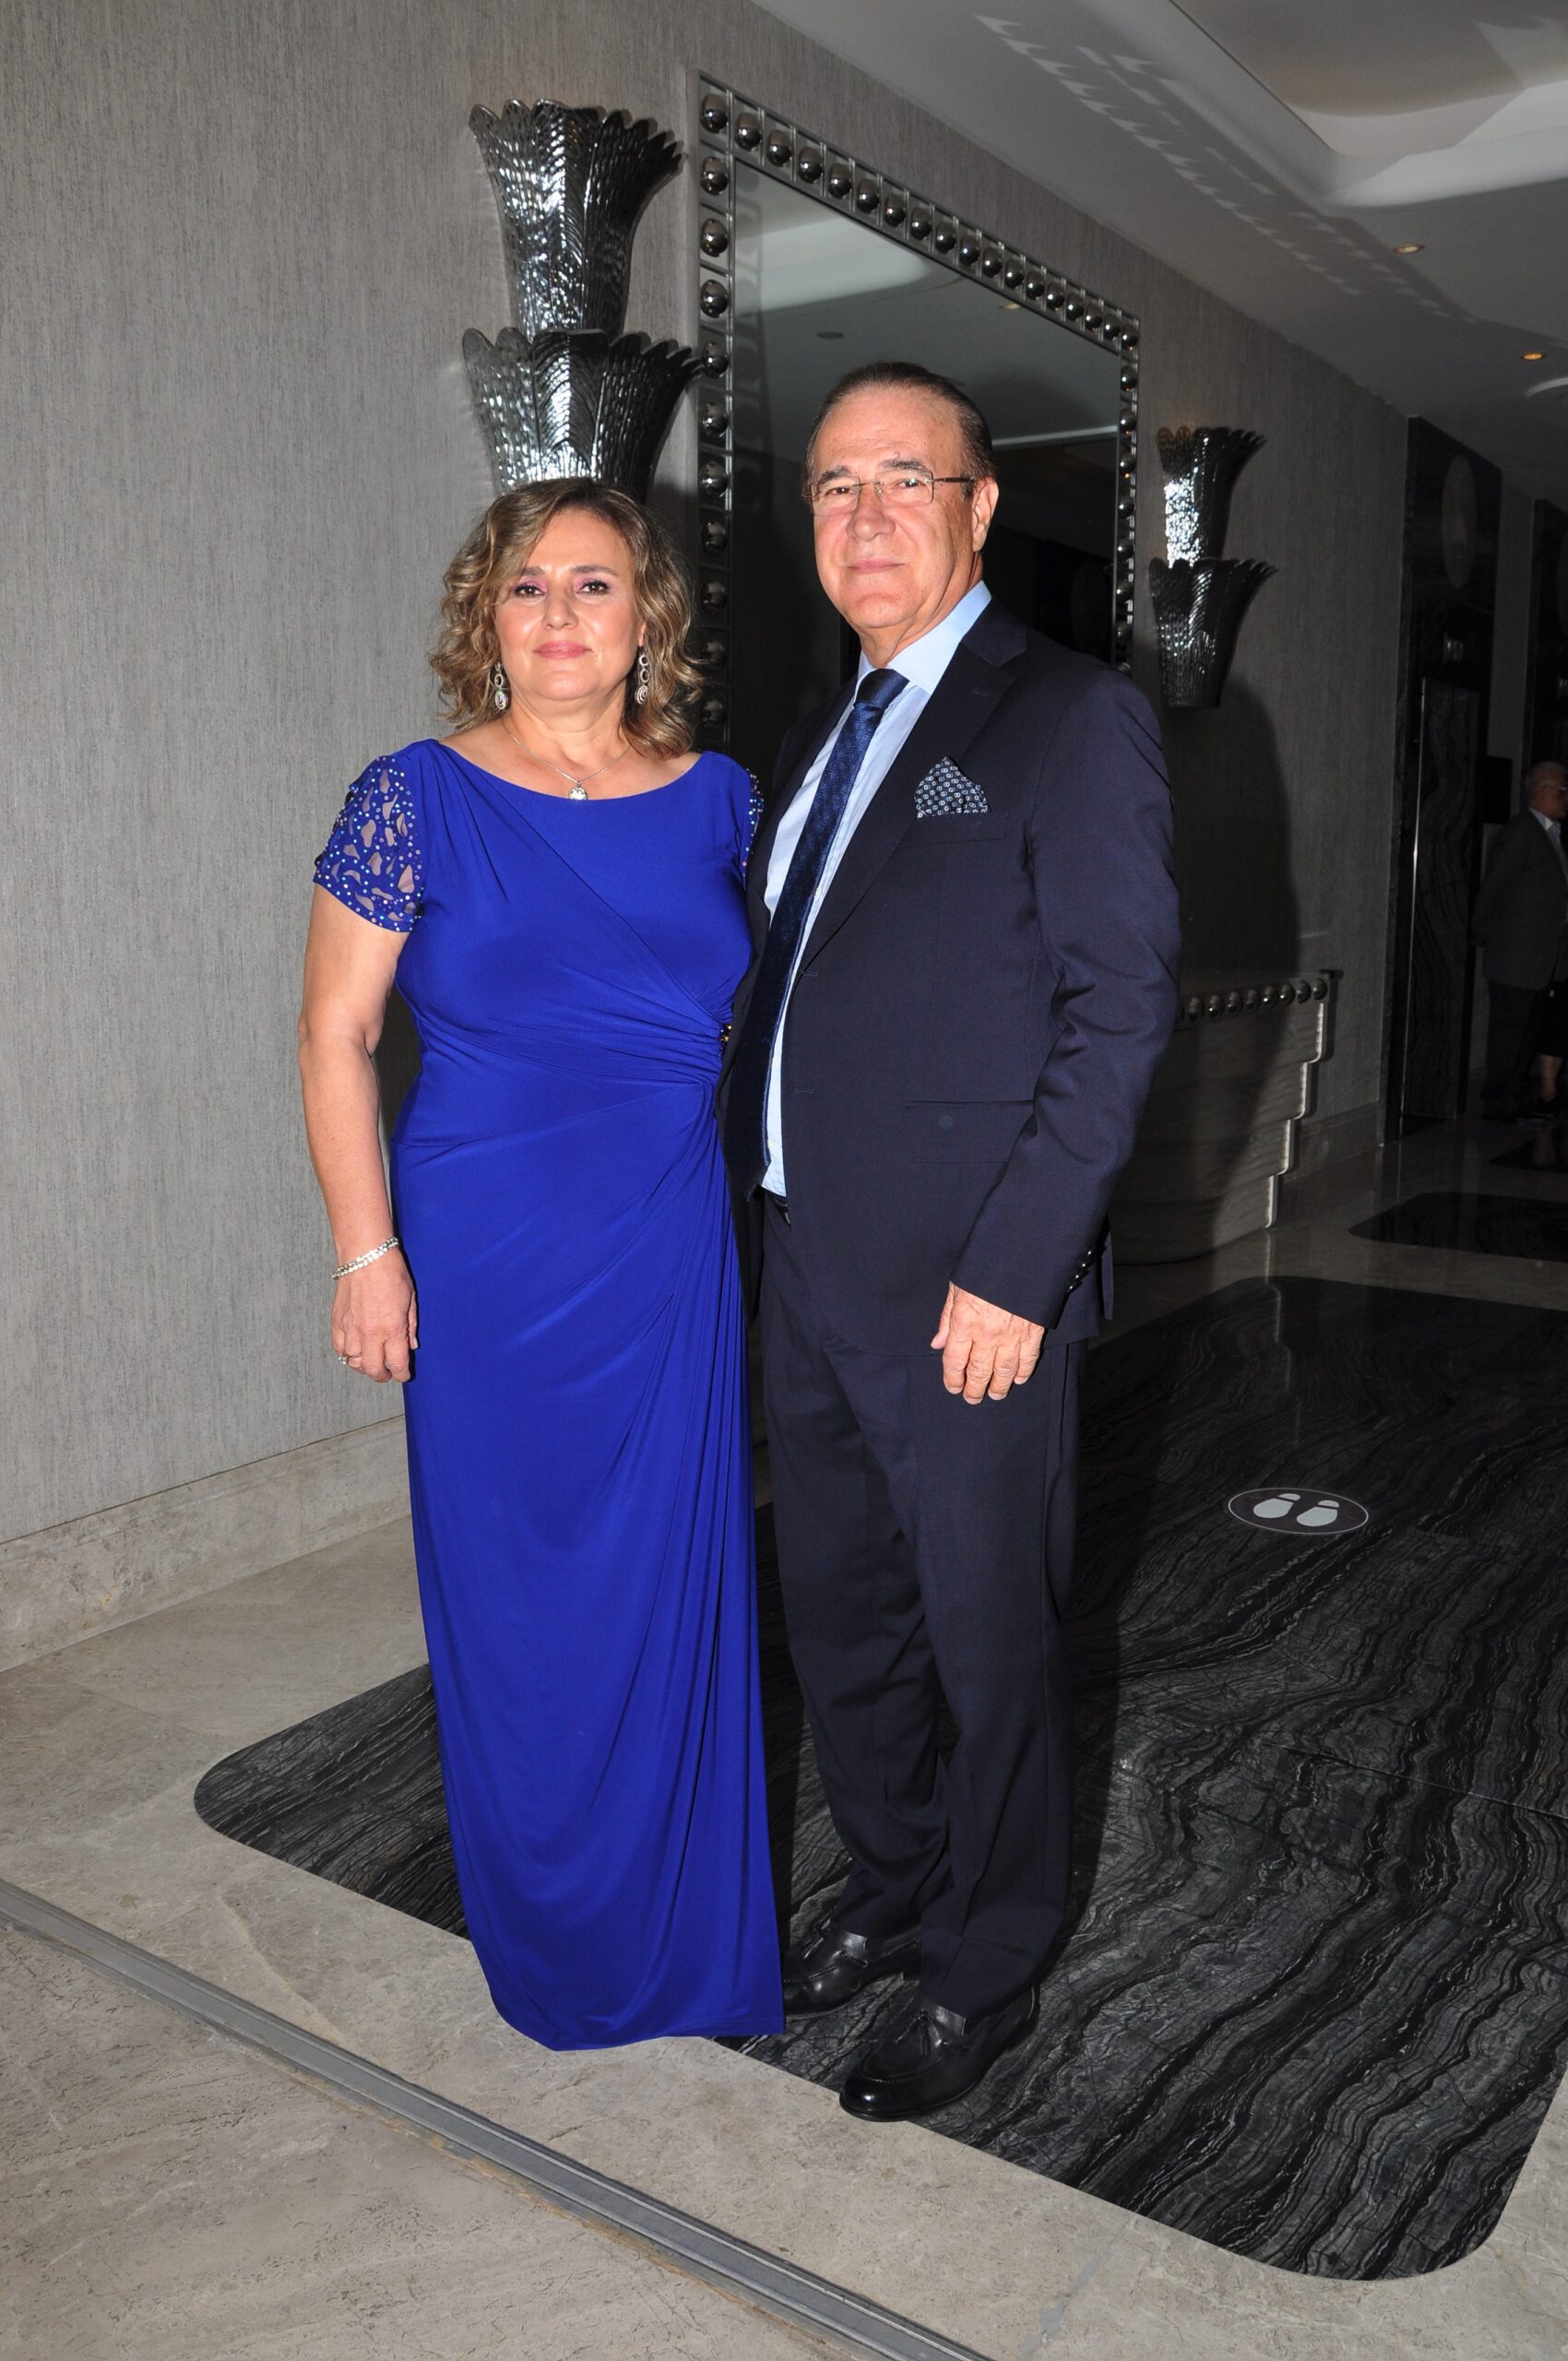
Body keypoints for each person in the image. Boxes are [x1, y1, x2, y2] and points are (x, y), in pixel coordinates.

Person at [719, 362, 1180, 2122]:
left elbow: (1118, 1012)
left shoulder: (1067, 716)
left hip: (971, 1292)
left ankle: (987, 1960)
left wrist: (1018, 1266)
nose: (865, 517)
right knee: (845, 1623)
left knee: (990, 1644)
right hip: (805, 1267)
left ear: (979, 509)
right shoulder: (811, 741)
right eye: (834, 487)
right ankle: (897, 1887)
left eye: (904, 480)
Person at [298, 481, 782, 2049]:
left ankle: (685, 1941)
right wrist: (365, 1252)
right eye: (526, 587)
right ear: (484, 620)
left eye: (593, 583)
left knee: (670, 1584)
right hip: (484, 1252)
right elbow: (334, 1036)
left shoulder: (726, 801)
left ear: (649, 618)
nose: (559, 614)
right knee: (519, 1603)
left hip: (667, 1247)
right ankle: (560, 1941)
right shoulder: (411, 797)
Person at [1474, 760, 1568, 1121]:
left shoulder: (1549, 833)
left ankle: (1517, 1096)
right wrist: (1482, 934)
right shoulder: (1521, 832)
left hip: (1541, 959)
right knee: (1509, 1035)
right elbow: (1494, 889)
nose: (1566, 798)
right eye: (1561, 791)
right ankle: (1499, 1102)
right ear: (1542, 791)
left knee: (1526, 1035)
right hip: (1516, 958)